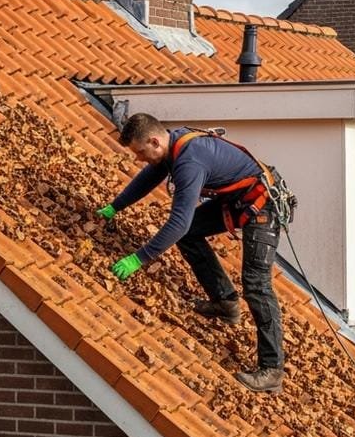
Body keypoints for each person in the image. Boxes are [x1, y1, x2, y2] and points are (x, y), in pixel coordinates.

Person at [98, 112, 285, 394]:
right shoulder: (173, 144)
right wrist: (115, 206)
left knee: (256, 285)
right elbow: (149, 177)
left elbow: (178, 222)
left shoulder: (189, 161)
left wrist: (139, 258)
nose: (139, 159)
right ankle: (225, 303)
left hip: (262, 204)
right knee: (190, 235)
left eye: (140, 152)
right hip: (235, 200)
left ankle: (272, 370)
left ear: (154, 141)